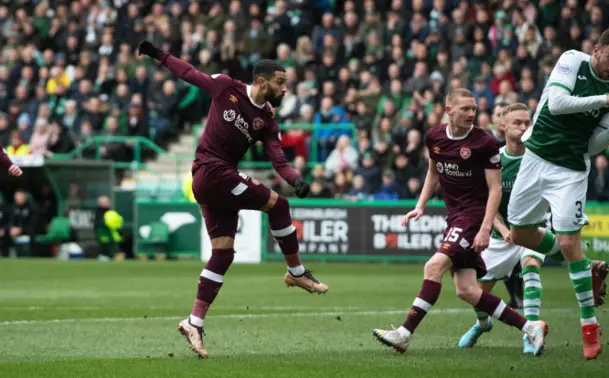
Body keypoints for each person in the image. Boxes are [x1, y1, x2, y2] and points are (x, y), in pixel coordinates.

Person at [136, 40, 328, 359]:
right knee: (278, 206)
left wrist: (297, 180)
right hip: (211, 172)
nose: (285, 90)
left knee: (223, 254)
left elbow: (278, 160)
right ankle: (296, 272)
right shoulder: (227, 87)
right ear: (262, 81)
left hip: (219, 184)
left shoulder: (267, 121)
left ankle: (194, 323)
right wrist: (158, 54)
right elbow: (190, 73)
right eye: (281, 83)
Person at [372, 89, 547, 356]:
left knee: (433, 266)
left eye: (474, 109)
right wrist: (419, 206)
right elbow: (433, 172)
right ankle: (530, 327)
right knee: (467, 290)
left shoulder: (484, 142)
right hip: (455, 215)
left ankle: (404, 333)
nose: (471, 114)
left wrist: (486, 228)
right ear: (449, 109)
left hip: (473, 215)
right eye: (465, 108)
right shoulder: (434, 137)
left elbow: (495, 189)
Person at [507, 27, 609, 360]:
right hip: (536, 158)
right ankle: (585, 265)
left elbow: (592, 144)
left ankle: (589, 327)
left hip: (570, 171)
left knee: (568, 243)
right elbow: (557, 102)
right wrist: (606, 100)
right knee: (518, 232)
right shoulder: (572, 61)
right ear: (596, 51)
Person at [458, 103, 552, 353]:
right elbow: (489, 200)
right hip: (502, 236)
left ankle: (530, 332)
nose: (523, 127)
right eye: (517, 123)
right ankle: (482, 323)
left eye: (527, 122)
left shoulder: (540, 158)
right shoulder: (494, 159)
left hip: (534, 229)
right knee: (476, 291)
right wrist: (501, 226)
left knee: (531, 265)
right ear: (502, 126)